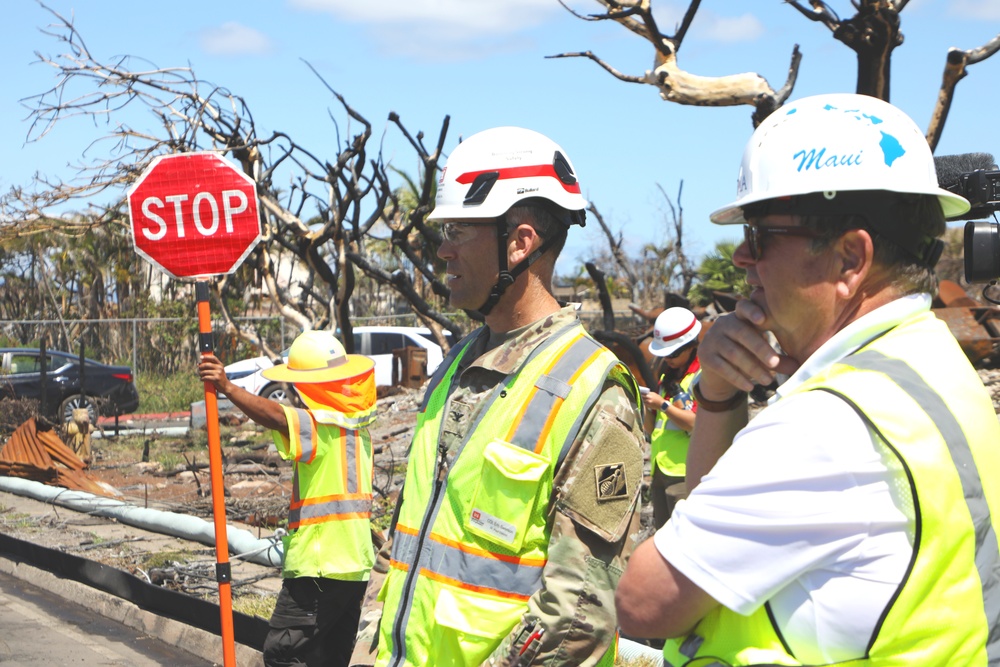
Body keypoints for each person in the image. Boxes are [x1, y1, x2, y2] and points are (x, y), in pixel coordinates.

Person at [615, 92, 1000, 666]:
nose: (743, 257)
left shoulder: (825, 427)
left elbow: (642, 602)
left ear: (850, 259)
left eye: (761, 233)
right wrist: (718, 394)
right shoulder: (929, 361)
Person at [349, 126, 646, 667]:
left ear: (520, 241)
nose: (442, 250)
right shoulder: (455, 368)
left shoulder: (592, 390)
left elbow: (579, 612)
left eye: (458, 230)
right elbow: (415, 552)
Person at [199, 330, 377, 667]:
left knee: (282, 652)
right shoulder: (356, 428)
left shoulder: (319, 424)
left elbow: (278, 416)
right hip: (354, 567)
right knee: (327, 659)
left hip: (320, 565)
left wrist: (228, 387)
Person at [641, 307, 700, 528]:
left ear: (691, 346)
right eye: (664, 355)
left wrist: (663, 405)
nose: (668, 360)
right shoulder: (668, 377)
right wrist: (649, 406)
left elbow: (695, 423)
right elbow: (650, 428)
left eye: (673, 354)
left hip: (684, 472)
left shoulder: (701, 377)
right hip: (660, 469)